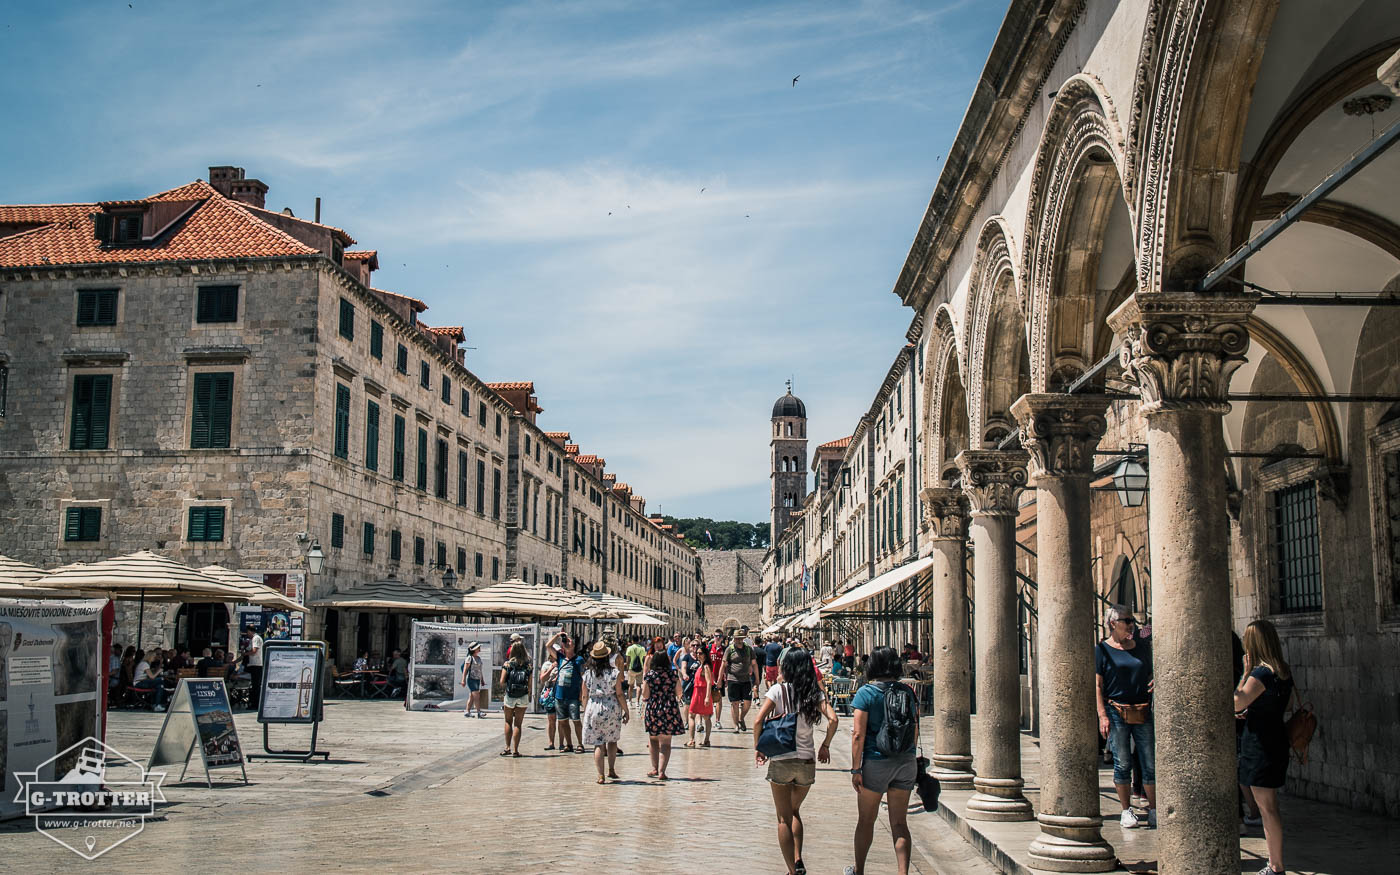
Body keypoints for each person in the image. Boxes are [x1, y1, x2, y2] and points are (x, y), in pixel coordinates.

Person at [754, 648, 839, 875]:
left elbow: (758, 721)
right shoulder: (815, 693)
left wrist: (759, 749)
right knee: (794, 811)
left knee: (783, 818)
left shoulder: (777, 690)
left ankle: (792, 871)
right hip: (807, 761)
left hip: (782, 759)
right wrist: (826, 745)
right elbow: (833, 719)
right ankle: (798, 858)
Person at [846, 646, 918, 875]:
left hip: (875, 762)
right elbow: (915, 729)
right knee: (899, 823)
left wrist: (855, 769)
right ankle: (903, 873)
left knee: (866, 821)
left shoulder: (865, 693)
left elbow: (858, 735)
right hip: (905, 760)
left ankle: (859, 871)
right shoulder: (908, 692)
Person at [1234, 619, 1293, 875]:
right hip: (1276, 738)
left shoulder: (1261, 673)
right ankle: (1275, 862)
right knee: (1270, 807)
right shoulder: (1282, 671)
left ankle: (1275, 865)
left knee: (1267, 809)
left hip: (1260, 744)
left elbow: (1236, 702)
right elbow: (1285, 707)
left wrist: (1244, 674)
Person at [1096, 604, 1156, 829]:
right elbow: (1098, 684)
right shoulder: (1102, 650)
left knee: (1149, 762)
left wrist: (1153, 681)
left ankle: (1153, 809)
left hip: (1142, 710)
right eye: (1127, 621)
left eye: (1133, 620)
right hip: (1117, 711)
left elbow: (1151, 671)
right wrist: (1102, 715)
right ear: (1113, 624)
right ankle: (1125, 810)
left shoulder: (1140, 647)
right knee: (1123, 762)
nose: (1132, 624)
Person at [580, 641, 628, 784]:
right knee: (612, 740)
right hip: (611, 707)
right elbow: (619, 694)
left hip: (594, 706)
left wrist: (586, 710)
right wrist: (626, 711)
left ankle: (601, 775)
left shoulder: (588, 674)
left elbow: (584, 695)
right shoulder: (614, 673)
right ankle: (611, 769)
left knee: (598, 743)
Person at [642, 638, 686, 780]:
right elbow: (679, 693)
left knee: (653, 740)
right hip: (669, 709)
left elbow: (645, 694)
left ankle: (654, 768)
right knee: (666, 742)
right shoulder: (673, 676)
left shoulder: (649, 676)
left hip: (654, 708)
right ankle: (662, 771)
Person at [547, 631, 585, 753]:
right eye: (566, 641)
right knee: (563, 722)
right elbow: (548, 646)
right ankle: (569, 744)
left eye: (569, 641)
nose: (567, 642)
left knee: (576, 721)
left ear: (574, 645)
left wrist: (582, 695)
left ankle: (580, 744)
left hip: (573, 695)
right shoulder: (560, 657)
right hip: (559, 696)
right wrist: (558, 636)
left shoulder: (579, 660)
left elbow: (583, 678)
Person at [499, 641, 532, 757]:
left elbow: (502, 681)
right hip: (522, 696)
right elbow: (529, 685)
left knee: (508, 721)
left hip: (510, 695)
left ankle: (507, 747)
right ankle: (515, 750)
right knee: (518, 724)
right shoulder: (528, 666)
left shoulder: (508, 664)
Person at [724, 633, 759, 732]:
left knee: (748, 702)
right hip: (733, 679)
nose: (739, 640)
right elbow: (724, 665)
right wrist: (720, 679)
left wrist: (757, 678)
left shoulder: (749, 649)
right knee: (734, 703)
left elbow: (754, 664)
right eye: (737, 639)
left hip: (746, 679)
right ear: (734, 639)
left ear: (743, 639)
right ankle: (736, 725)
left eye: (741, 639)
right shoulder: (729, 649)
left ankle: (741, 718)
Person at [686, 641, 715, 748]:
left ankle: (693, 740)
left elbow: (708, 682)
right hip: (698, 692)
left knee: (693, 715)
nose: (698, 655)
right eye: (697, 653)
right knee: (704, 716)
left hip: (701, 693)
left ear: (705, 655)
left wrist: (707, 697)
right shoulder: (701, 665)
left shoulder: (705, 666)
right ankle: (705, 740)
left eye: (700, 653)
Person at [539, 656, 560, 750]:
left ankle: (562, 743)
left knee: (562, 720)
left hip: (560, 691)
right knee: (551, 719)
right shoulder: (546, 665)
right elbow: (542, 679)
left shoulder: (562, 663)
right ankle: (551, 742)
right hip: (550, 693)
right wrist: (551, 668)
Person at [460, 643, 486, 717]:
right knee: (477, 696)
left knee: (471, 696)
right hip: (471, 679)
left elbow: (480, 670)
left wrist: (482, 680)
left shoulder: (478, 658)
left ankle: (467, 711)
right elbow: (465, 670)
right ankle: (479, 712)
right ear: (474, 649)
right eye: (478, 647)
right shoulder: (469, 658)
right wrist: (463, 680)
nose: (479, 648)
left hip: (477, 679)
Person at [709, 631, 727, 729]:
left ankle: (717, 720)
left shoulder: (725, 649)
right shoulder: (708, 648)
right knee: (709, 698)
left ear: (722, 637)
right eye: (716, 636)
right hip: (710, 678)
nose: (718, 638)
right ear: (713, 637)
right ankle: (708, 718)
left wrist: (725, 678)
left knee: (719, 699)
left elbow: (726, 665)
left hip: (720, 678)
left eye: (720, 636)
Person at [244, 628, 264, 711]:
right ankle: (254, 703)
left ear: (250, 631)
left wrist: (245, 654)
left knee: (256, 685)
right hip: (253, 664)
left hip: (256, 664)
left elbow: (254, 651)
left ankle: (255, 704)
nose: (247, 634)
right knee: (254, 685)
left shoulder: (256, 638)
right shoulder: (254, 639)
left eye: (247, 632)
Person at [625, 636, 647, 704]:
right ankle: (637, 701)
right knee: (638, 685)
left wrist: (627, 667)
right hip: (640, 669)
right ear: (639, 640)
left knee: (631, 685)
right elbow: (644, 659)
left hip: (631, 669)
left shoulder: (629, 648)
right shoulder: (642, 648)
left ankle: (630, 700)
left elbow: (628, 659)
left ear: (632, 641)